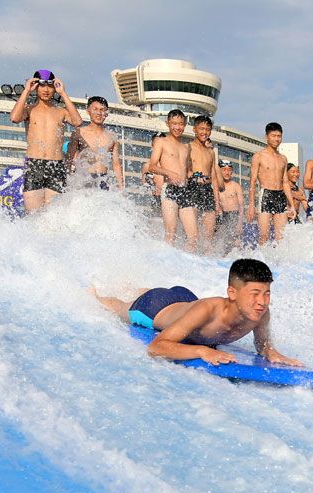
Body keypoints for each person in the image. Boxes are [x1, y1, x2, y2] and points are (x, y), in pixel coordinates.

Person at [93, 258, 301, 366]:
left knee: (182, 308)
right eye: (255, 293)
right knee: (122, 309)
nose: (262, 302)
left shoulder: (261, 313)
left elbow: (262, 346)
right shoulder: (208, 310)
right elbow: (156, 347)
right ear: (232, 293)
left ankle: (139, 288)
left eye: (267, 293)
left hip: (187, 300)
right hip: (155, 307)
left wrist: (271, 352)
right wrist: (202, 351)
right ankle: (95, 295)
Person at [9, 69, 83, 213]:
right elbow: (14, 118)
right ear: (36, 87)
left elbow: (78, 121)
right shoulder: (29, 110)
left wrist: (63, 93)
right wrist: (26, 91)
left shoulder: (61, 111)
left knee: (54, 216)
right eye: (42, 86)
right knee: (33, 214)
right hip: (34, 164)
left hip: (56, 165)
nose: (46, 90)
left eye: (50, 86)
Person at [148, 110, 194, 248]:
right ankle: (164, 266)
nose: (177, 127)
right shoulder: (161, 142)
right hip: (169, 190)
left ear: (185, 125)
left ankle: (186, 266)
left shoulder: (186, 147)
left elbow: (188, 169)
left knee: (193, 237)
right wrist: (169, 173)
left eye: (180, 124)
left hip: (185, 191)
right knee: (171, 232)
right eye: (174, 123)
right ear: (168, 123)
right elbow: (152, 166)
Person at [247, 122, 296, 244]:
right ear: (266, 137)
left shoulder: (283, 158)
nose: (276, 139)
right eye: (273, 135)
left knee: (281, 238)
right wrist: (251, 205)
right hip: (266, 195)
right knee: (264, 236)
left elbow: (285, 182)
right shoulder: (258, 156)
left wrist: (292, 205)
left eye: (279, 136)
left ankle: (280, 263)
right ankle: (262, 261)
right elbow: (252, 182)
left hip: (280, 196)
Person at [65, 95, 123, 191]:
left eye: (102, 110)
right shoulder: (79, 133)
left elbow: (116, 163)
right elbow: (69, 159)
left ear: (107, 113)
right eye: (95, 109)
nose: (99, 113)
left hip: (103, 180)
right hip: (84, 179)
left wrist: (121, 186)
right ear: (88, 111)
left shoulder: (112, 136)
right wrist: (67, 180)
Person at [183, 115, 222, 253]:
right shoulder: (188, 147)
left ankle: (206, 267)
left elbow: (214, 178)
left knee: (208, 237)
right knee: (192, 236)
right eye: (201, 129)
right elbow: (184, 169)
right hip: (191, 188)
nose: (204, 132)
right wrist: (194, 176)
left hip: (207, 190)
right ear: (194, 129)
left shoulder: (211, 152)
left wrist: (217, 202)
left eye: (207, 129)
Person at [216, 159, 244, 250]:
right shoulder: (216, 186)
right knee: (221, 241)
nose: (227, 173)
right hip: (221, 215)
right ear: (219, 171)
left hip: (233, 215)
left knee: (235, 243)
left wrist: (240, 222)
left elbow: (241, 206)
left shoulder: (236, 186)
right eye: (224, 170)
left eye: (229, 170)